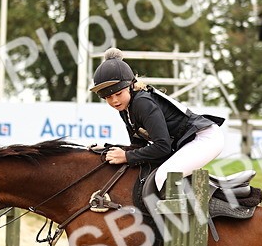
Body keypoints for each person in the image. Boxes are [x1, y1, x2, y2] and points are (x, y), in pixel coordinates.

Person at [91, 48, 226, 189]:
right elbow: (139, 147)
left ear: (130, 86)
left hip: (205, 139)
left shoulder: (142, 103)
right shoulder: (125, 109)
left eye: (118, 93)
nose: (114, 101)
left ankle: (194, 210)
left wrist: (126, 156)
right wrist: (108, 149)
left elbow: (163, 147)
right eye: (108, 97)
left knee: (164, 176)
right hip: (189, 141)